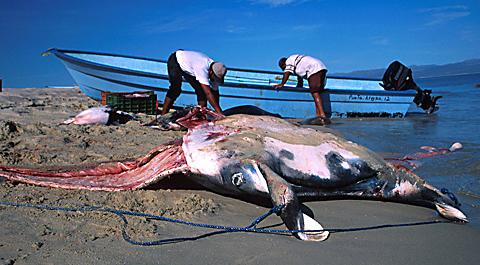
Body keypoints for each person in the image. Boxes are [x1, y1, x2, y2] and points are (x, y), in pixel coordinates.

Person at [161, 50, 227, 116]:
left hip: (190, 66)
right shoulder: (202, 67)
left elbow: (215, 93)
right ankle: (163, 115)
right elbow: (208, 93)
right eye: (215, 77)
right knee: (175, 89)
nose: (215, 80)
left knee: (201, 91)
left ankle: (200, 115)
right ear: (210, 72)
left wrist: (217, 111)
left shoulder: (215, 69)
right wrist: (220, 113)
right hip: (176, 59)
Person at [273, 55, 328, 119]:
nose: (286, 68)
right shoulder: (297, 63)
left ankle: (322, 115)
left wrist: (282, 84)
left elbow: (287, 72)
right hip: (321, 67)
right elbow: (300, 80)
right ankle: (318, 114)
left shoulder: (289, 60)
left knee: (315, 92)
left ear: (284, 64)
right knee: (317, 92)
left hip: (314, 68)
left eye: (285, 67)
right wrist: (299, 87)